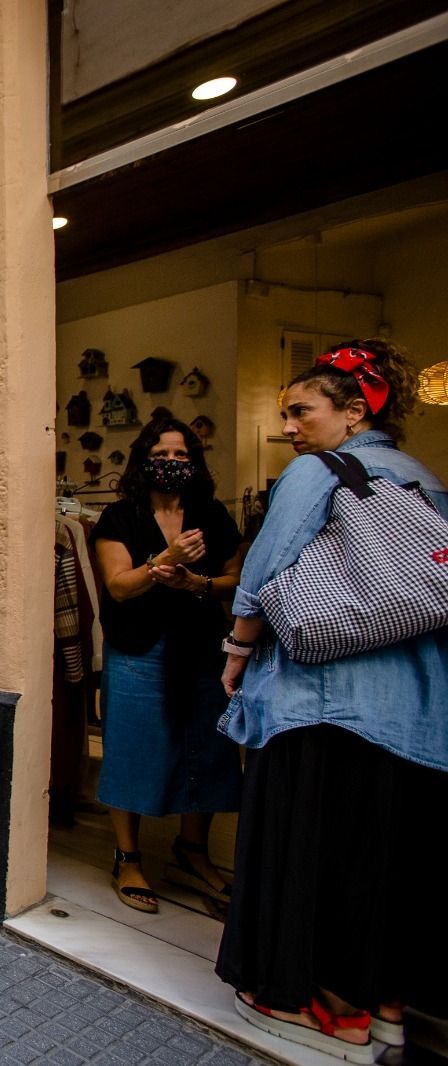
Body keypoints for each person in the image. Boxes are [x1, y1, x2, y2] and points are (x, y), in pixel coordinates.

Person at [217, 340, 448, 1059]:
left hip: (324, 700)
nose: (288, 426)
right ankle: (385, 1007)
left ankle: (325, 1008)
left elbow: (265, 568)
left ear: (353, 413)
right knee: (386, 857)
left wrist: (236, 651)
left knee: (315, 851)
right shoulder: (422, 478)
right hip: (414, 710)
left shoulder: (316, 472)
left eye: (301, 411)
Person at [90, 417, 244, 915]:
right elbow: (118, 586)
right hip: (139, 648)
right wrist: (165, 561)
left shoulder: (212, 515)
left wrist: (198, 584)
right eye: (162, 455)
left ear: (194, 462)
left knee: (207, 746)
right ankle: (128, 857)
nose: (172, 463)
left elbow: (236, 578)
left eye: (181, 455)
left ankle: (192, 850)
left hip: (202, 646)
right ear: (144, 460)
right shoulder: (120, 517)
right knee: (134, 746)